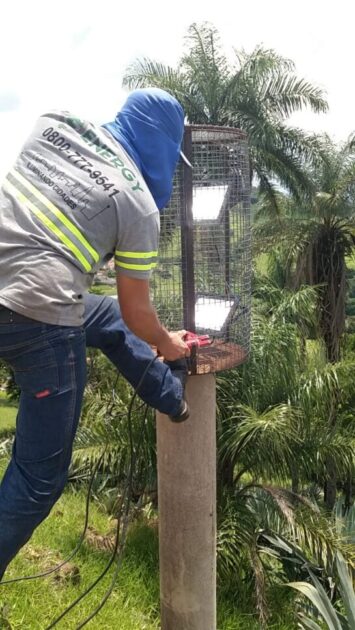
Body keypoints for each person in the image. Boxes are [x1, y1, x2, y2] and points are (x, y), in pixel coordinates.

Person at [0, 87, 190, 578]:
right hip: (39, 316)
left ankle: (171, 397)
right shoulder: (139, 205)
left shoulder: (52, 122)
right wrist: (169, 343)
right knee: (39, 478)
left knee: (99, 315)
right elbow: (138, 313)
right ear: (165, 148)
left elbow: (115, 316)